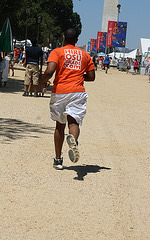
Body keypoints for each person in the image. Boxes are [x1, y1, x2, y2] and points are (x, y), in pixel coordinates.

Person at [42, 28, 95, 170]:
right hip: (77, 91)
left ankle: (58, 160)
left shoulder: (57, 52)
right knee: (74, 121)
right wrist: (77, 76)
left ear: (63, 38)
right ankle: (74, 141)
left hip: (60, 91)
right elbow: (91, 77)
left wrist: (43, 81)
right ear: (77, 40)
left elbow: (50, 71)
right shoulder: (85, 55)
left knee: (60, 125)